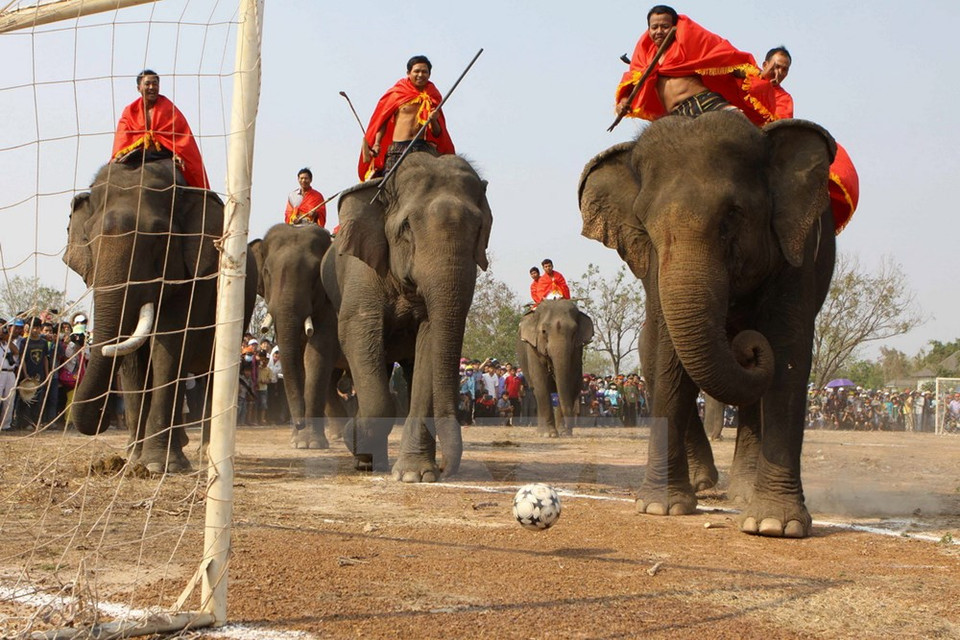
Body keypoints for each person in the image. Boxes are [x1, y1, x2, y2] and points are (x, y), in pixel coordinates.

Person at [756, 46, 860, 235]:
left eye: (784, 70)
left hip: (760, 150)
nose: (779, 73)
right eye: (776, 67)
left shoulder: (784, 98)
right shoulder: (745, 78)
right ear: (764, 64)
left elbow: (777, 127)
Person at [615, 6, 774, 125]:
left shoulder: (688, 46)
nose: (659, 31)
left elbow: (723, 59)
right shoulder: (644, 59)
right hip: (675, 115)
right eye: (654, 27)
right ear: (648, 30)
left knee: (740, 122)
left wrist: (754, 75)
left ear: (675, 27)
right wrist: (622, 103)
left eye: (665, 27)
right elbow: (630, 89)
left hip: (704, 101)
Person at [358, 55, 455, 181]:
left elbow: (437, 133)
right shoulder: (397, 93)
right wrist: (377, 144)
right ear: (408, 73)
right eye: (417, 71)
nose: (420, 75)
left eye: (424, 72)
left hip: (422, 148)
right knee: (388, 184)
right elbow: (383, 121)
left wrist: (434, 120)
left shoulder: (433, 96)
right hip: (398, 148)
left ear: (429, 75)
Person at [112, 69, 210, 190]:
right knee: (110, 177)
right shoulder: (130, 111)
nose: (152, 87)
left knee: (181, 183)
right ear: (139, 88)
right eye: (147, 84)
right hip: (136, 156)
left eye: (155, 84)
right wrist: (118, 155)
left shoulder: (169, 109)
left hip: (164, 156)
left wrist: (177, 154)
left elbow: (182, 139)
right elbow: (123, 138)